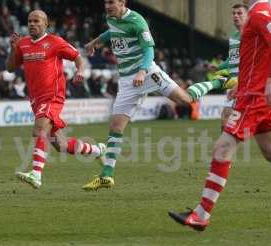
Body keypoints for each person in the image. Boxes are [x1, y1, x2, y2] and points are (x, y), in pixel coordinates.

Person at [169, 0, 271, 231]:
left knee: (222, 148)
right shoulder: (255, 13)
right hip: (250, 93)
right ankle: (201, 214)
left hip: (253, 99)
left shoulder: (261, 11)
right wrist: (241, 85)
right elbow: (257, 57)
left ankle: (201, 214)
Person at [82, 0, 207, 191]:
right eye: (105, 2)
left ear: (122, 2)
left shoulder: (137, 21)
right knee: (116, 126)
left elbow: (149, 50)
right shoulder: (111, 18)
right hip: (127, 81)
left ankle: (217, 82)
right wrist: (95, 42)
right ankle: (107, 175)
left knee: (185, 100)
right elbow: (113, 32)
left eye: (112, 2)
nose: (107, 6)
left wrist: (142, 71)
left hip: (148, 73)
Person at [6, 10, 106, 189]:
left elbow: (78, 57)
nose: (32, 24)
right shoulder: (23, 44)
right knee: (61, 145)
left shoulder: (55, 42)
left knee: (39, 129)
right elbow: (10, 68)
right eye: (29, 21)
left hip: (52, 96)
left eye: (36, 21)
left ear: (46, 24)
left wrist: (80, 71)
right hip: (36, 99)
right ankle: (98, 150)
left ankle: (36, 174)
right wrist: (12, 48)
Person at [211, 4, 248, 130]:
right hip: (234, 82)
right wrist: (218, 67)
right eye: (234, 13)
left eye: (239, 13)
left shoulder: (251, 36)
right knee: (226, 116)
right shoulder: (233, 36)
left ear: (248, 16)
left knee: (227, 116)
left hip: (245, 82)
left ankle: (224, 147)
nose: (236, 16)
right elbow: (231, 58)